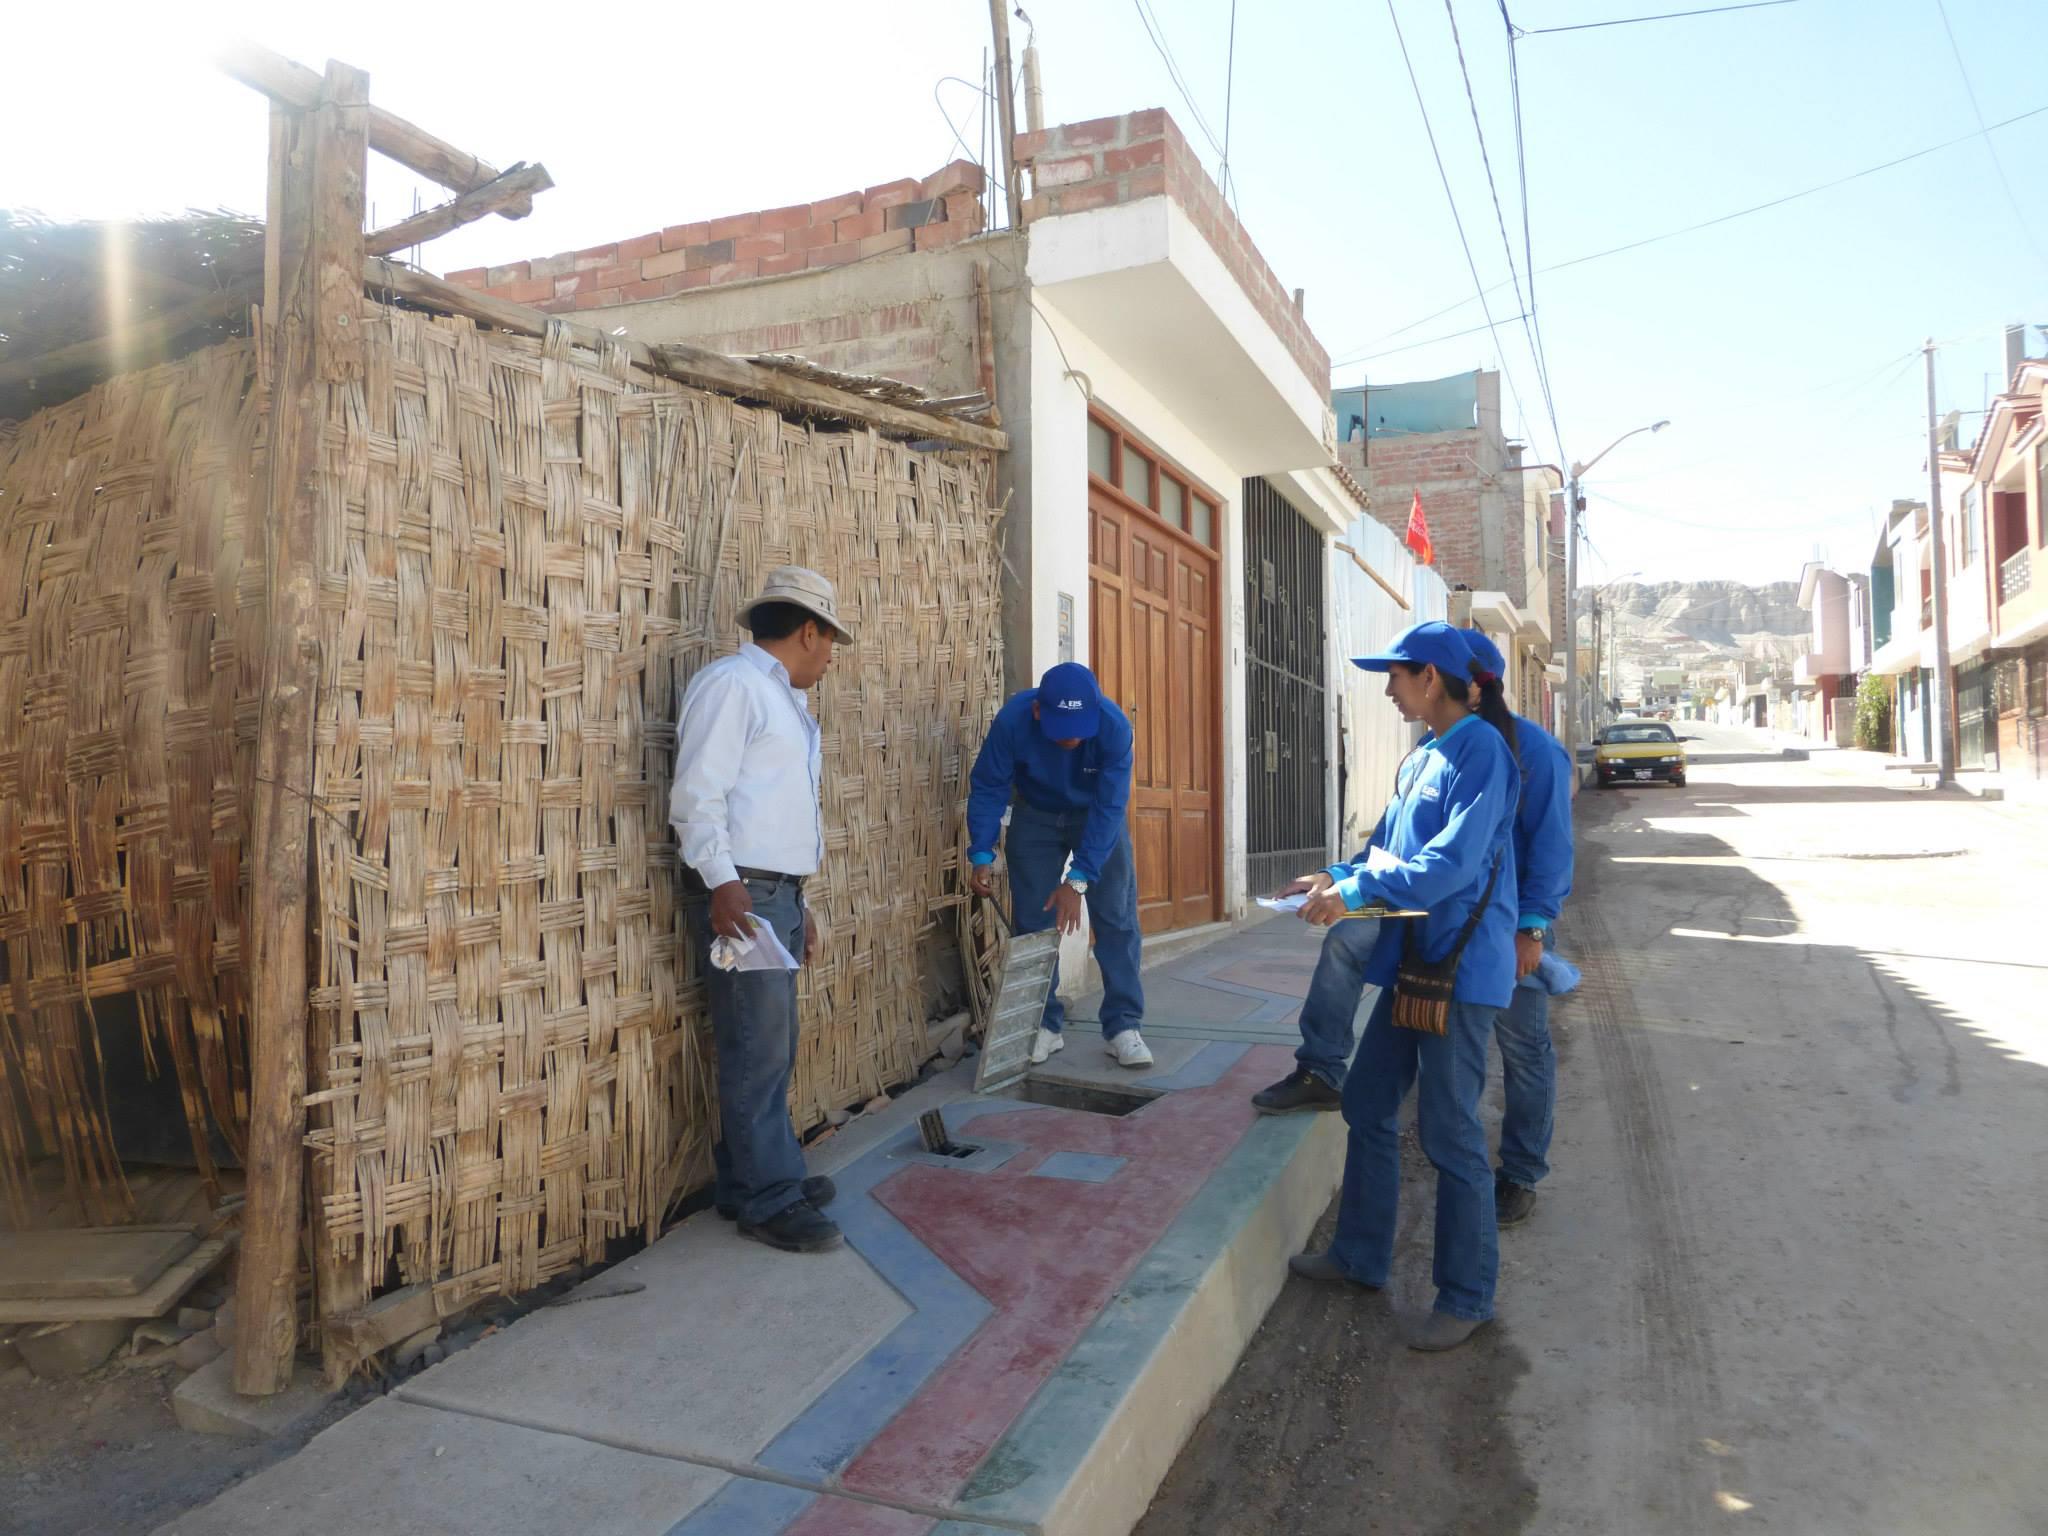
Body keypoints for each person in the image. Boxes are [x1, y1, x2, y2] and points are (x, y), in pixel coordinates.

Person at [1273, 621, 1521, 1351]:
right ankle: (1360, 1256)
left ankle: (1467, 1294)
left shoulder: (1482, 750)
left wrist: (1359, 891)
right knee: (1369, 1099)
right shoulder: (1426, 756)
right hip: (1416, 964)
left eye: (1397, 675)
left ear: (1433, 679)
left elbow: (1450, 864)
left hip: (1460, 971)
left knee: (1449, 1132)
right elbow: (1387, 848)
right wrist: (1338, 878)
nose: (1387, 688)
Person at [670, 567, 851, 1254]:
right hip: (743, 890)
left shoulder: (781, 701)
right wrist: (723, 882)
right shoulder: (734, 686)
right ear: (809, 631)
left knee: (769, 1043)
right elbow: (698, 793)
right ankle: (769, 1200)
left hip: (773, 891)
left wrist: (797, 904)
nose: (832, 657)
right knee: (756, 1045)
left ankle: (751, 1180)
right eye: (831, 641)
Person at [965, 662, 1153, 1068]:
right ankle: (1044, 1026)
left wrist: (1079, 878)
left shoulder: (1114, 726)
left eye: (1078, 726)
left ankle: (1123, 1025)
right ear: (1038, 712)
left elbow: (1110, 806)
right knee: (1032, 923)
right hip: (1035, 814)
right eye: (1061, 726)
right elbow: (990, 784)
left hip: (1095, 817)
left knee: (1116, 919)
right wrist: (981, 851)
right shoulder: (1013, 720)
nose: (1070, 737)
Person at [1460, 629, 1576, 1229]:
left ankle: (1521, 1172)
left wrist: (1530, 929)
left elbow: (1552, 846)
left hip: (1510, 934)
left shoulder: (1535, 751)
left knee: (1524, 1052)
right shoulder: (1450, 746)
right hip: (1451, 931)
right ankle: (1457, 1161)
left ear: (1474, 685)